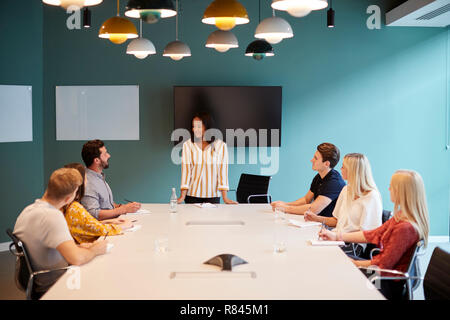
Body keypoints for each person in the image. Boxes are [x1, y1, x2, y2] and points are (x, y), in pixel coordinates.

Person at [319, 170, 429, 300]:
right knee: (334, 263)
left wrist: (354, 263)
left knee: (336, 272)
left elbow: (382, 265)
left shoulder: (405, 228)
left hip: (384, 282)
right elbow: (374, 234)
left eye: (391, 187)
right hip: (380, 273)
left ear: (401, 192)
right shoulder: (401, 216)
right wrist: (337, 236)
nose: (388, 189)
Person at [13, 168, 109, 299]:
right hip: (56, 282)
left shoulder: (28, 210)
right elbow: (77, 259)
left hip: (37, 278)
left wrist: (80, 248)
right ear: (69, 198)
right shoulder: (53, 217)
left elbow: (46, 245)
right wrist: (95, 250)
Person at [304, 153, 382, 255]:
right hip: (337, 237)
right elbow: (336, 220)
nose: (340, 169)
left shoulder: (372, 197)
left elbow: (371, 235)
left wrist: (338, 236)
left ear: (353, 171)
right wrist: (316, 218)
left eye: (343, 167)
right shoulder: (346, 190)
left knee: (317, 254)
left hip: (353, 245)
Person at [63, 163, 134, 243]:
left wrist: (107, 222)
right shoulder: (74, 208)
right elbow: (99, 229)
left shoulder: (66, 206)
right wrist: (124, 226)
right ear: (80, 183)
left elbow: (86, 224)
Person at [177, 112, 237, 204]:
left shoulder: (221, 146)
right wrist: (182, 196)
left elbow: (222, 173)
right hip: (192, 195)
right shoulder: (187, 145)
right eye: (193, 126)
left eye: (199, 127)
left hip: (213, 196)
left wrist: (225, 198)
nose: (194, 129)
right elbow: (186, 172)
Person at [271, 142, 345, 216]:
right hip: (317, 222)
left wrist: (285, 208)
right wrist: (285, 204)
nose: (312, 160)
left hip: (328, 226)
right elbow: (306, 200)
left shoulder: (334, 183)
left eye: (316, 158)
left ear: (326, 164)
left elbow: (313, 209)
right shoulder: (319, 177)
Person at [80, 139, 141, 220]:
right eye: (105, 154)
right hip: (104, 228)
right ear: (96, 160)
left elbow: (105, 204)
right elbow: (93, 213)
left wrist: (122, 206)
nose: (109, 155)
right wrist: (123, 209)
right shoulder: (89, 183)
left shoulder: (98, 177)